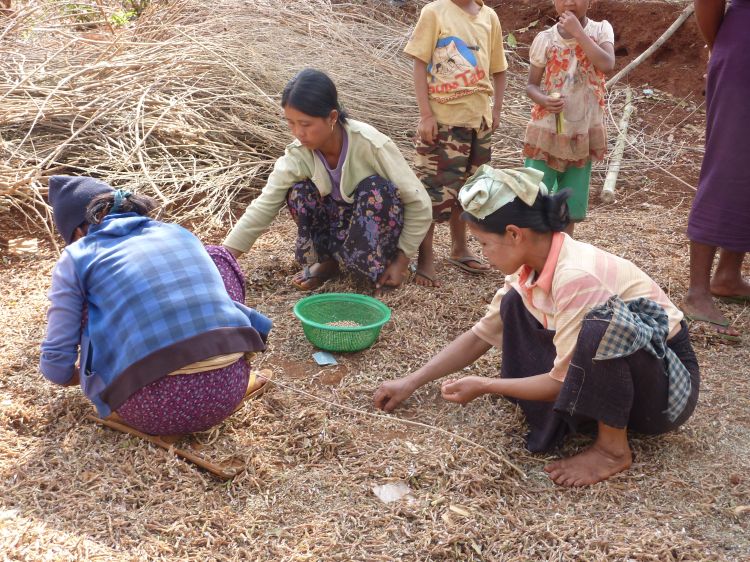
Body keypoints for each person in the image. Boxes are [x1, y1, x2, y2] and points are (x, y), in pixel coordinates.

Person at [374, 166, 700, 487]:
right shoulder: (530, 264)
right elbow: (480, 335)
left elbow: (562, 381)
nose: (484, 254)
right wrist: (411, 381)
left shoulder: (576, 276)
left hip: (665, 392)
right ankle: (581, 415)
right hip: (629, 376)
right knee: (514, 303)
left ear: (515, 234)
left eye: (485, 243)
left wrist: (486, 384)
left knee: (600, 328)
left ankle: (612, 449)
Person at [40, 176, 272, 436]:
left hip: (151, 411)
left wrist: (75, 377)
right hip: (229, 390)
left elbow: (57, 361)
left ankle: (131, 394)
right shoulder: (177, 231)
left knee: (87, 298)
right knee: (217, 256)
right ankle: (230, 359)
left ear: (78, 231)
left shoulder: (78, 254)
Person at [222, 69, 432, 294]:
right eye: (291, 123)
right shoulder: (298, 154)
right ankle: (328, 261)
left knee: (376, 190)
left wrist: (402, 259)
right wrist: (223, 257)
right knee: (299, 192)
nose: (298, 133)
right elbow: (264, 205)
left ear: (332, 117)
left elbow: (419, 204)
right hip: (341, 230)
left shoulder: (371, 144)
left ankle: (375, 266)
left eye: (305, 124)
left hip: (379, 233)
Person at [404, 0, 508, 287]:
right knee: (434, 192)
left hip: (479, 122)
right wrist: (426, 115)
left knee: (469, 190)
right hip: (443, 123)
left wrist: (496, 110)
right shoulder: (434, 12)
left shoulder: (489, 17)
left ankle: (459, 248)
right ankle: (425, 258)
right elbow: (419, 64)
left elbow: (499, 69)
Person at [682, 0, 750, 341]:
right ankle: (697, 292)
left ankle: (728, 276)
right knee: (729, 163)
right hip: (744, 48)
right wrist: (722, 45)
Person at [523, 0, 615, 235]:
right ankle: (534, 260)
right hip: (547, 131)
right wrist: (544, 100)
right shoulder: (545, 39)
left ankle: (563, 256)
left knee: (569, 209)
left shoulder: (601, 30)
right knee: (534, 199)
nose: (569, 2)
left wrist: (578, 33)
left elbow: (606, 63)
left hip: (581, 133)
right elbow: (531, 86)